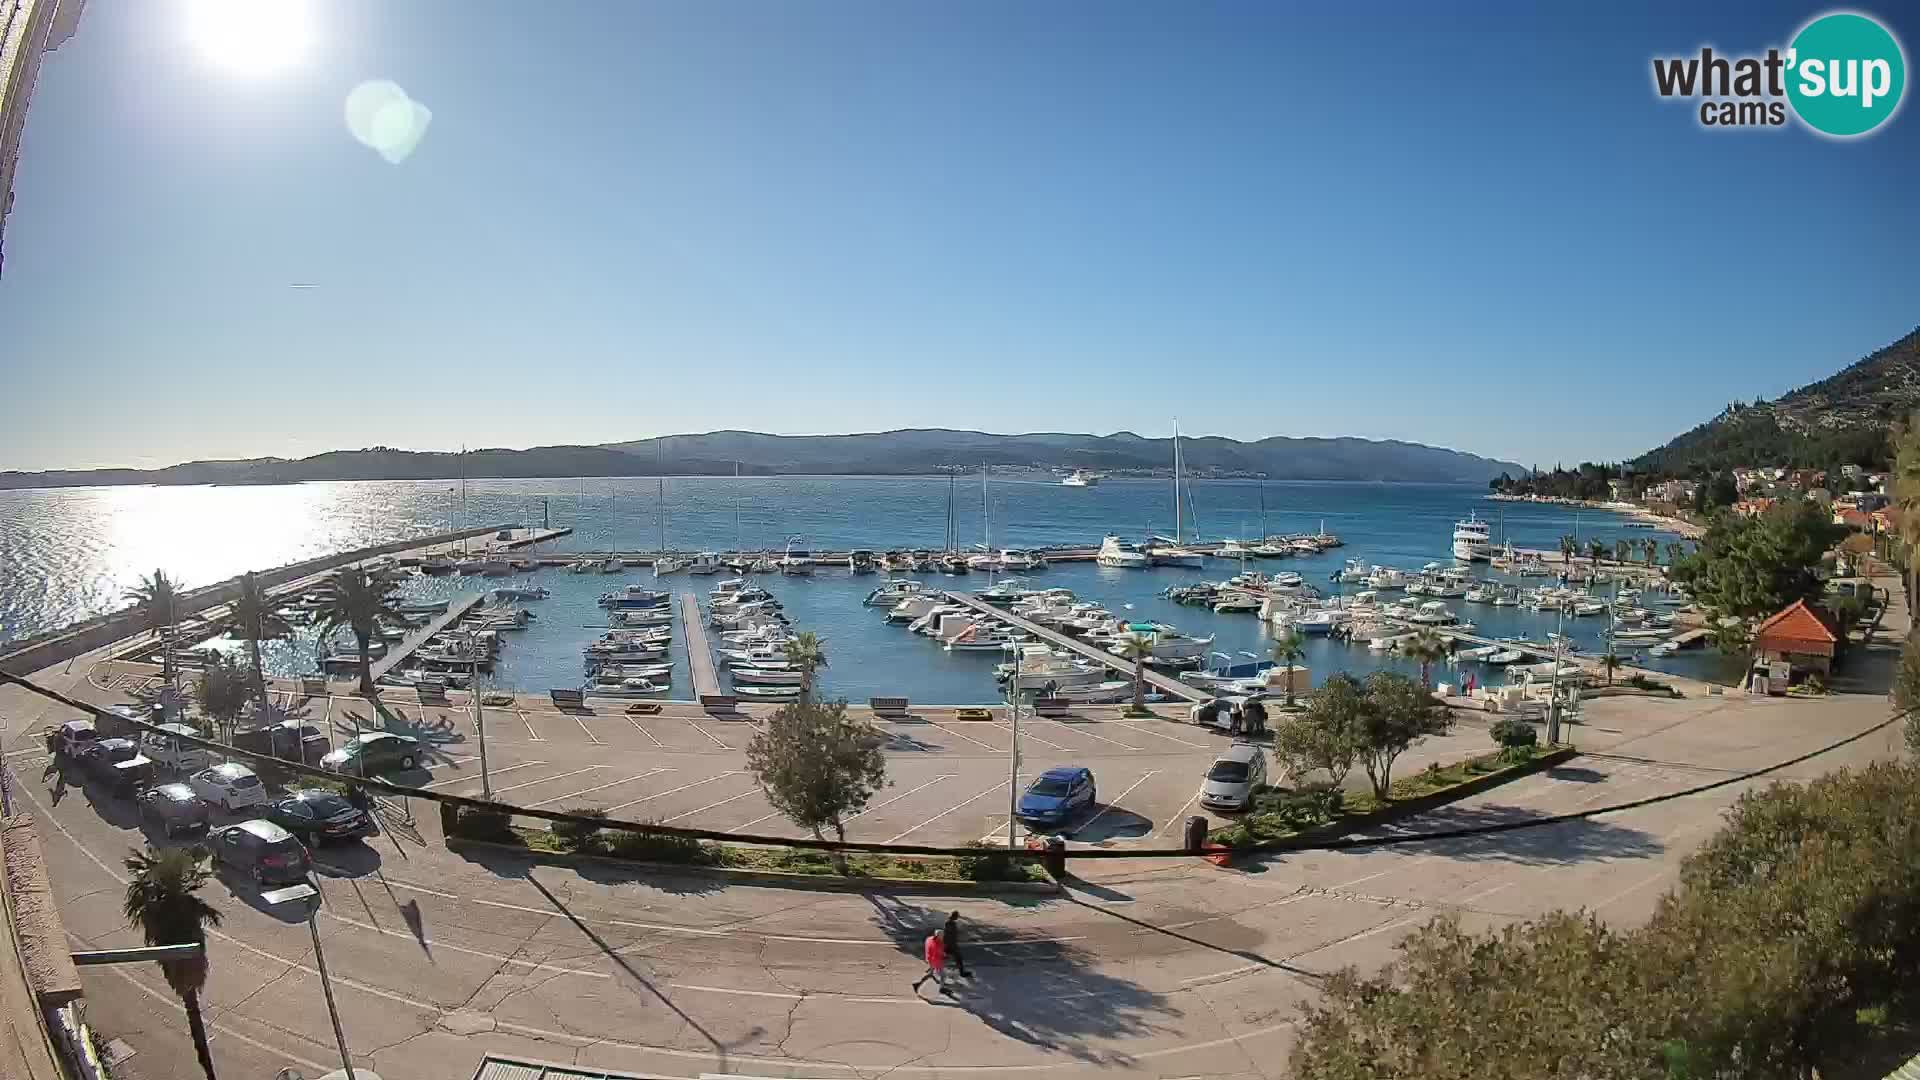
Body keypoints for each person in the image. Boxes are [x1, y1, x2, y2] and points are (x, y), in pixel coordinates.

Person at [911, 929, 949, 995]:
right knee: (943, 975)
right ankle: (941, 988)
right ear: (939, 936)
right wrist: (944, 956)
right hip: (936, 960)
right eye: (942, 935)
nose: (943, 936)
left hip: (929, 959)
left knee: (931, 973)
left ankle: (917, 984)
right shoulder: (939, 944)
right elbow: (940, 953)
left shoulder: (929, 939)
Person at [940, 911, 972, 979]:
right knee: (959, 959)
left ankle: (933, 969)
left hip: (948, 944)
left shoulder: (948, 922)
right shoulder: (951, 923)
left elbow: (949, 934)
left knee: (943, 958)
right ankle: (962, 973)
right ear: (954, 916)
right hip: (951, 945)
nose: (958, 917)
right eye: (957, 916)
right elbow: (950, 935)